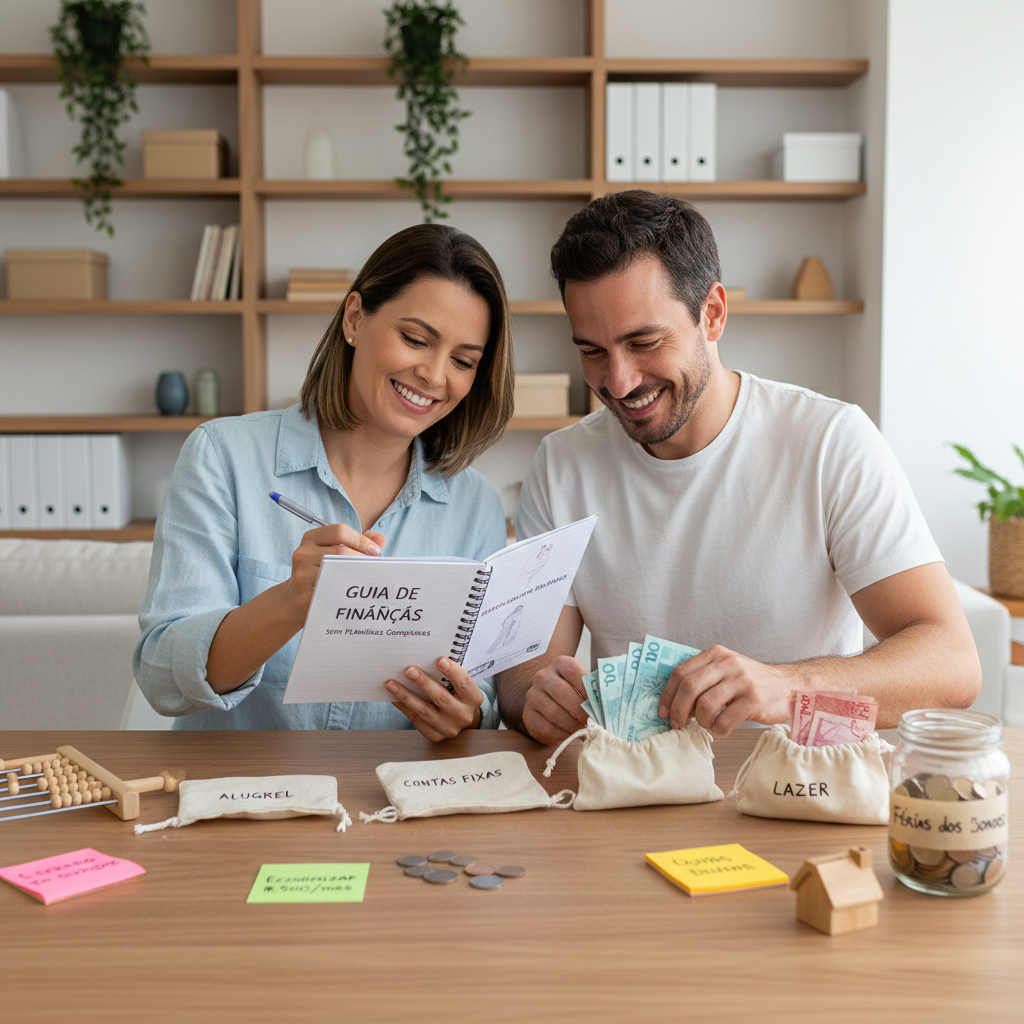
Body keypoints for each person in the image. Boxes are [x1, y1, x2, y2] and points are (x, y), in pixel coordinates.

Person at [497, 190, 981, 745]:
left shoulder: (830, 443)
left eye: (644, 341)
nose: (619, 381)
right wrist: (535, 695)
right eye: (592, 351)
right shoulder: (562, 466)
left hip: (801, 796)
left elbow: (952, 663)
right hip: (634, 802)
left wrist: (786, 688)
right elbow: (522, 671)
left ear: (713, 314)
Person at [135, 223, 514, 738]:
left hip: (393, 804)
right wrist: (290, 601)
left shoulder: (476, 507)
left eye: (464, 360)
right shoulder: (222, 457)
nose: (435, 375)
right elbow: (161, 677)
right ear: (355, 318)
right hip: (241, 802)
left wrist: (468, 715)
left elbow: (482, 697)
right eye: (415, 339)